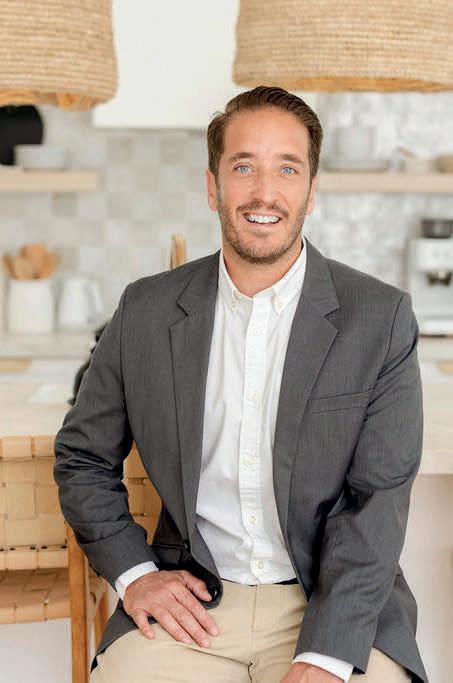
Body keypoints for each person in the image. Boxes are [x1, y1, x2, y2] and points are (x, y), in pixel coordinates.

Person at [53, 86, 428, 683]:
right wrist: (135, 575)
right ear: (213, 187)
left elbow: (376, 502)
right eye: (244, 167)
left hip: (330, 604)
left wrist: (325, 657)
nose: (264, 192)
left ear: (311, 190)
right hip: (191, 606)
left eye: (288, 168)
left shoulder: (380, 320)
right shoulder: (145, 310)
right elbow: (82, 458)